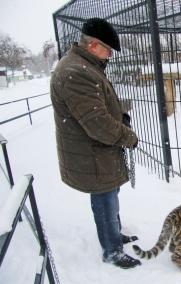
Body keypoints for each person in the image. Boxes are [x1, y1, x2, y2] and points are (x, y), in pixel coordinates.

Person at [50, 18, 141, 269]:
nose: (110, 55)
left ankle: (114, 235)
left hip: (98, 152)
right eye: (108, 49)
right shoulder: (76, 72)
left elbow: (99, 106)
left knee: (109, 194)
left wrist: (120, 117)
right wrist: (127, 136)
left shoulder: (86, 65)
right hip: (92, 154)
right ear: (93, 46)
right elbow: (97, 123)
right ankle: (111, 250)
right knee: (104, 199)